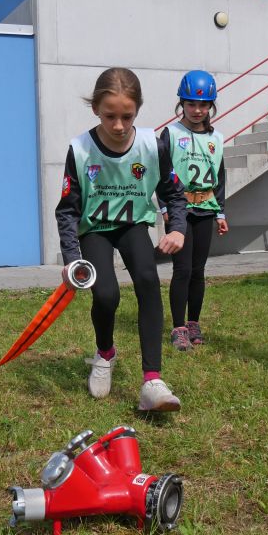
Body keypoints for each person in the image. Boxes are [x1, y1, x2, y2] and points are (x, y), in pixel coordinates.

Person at [55, 67, 188, 412]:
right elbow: (67, 210)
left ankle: (152, 381)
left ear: (137, 110)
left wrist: (177, 228)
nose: (118, 125)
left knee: (147, 280)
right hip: (95, 228)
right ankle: (105, 353)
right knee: (106, 294)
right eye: (109, 116)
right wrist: (71, 258)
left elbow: (174, 193)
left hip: (132, 225)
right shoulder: (80, 149)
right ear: (95, 109)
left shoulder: (153, 145)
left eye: (127, 117)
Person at [159, 70, 228, 351]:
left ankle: (193, 322)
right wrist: (164, 206)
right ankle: (178, 328)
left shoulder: (216, 138)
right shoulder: (171, 134)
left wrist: (220, 213)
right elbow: (161, 172)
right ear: (182, 103)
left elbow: (220, 177)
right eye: (191, 104)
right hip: (179, 211)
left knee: (198, 270)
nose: (197, 110)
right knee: (183, 269)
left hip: (205, 209)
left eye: (203, 105)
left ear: (211, 106)